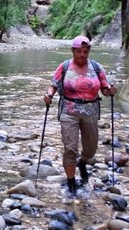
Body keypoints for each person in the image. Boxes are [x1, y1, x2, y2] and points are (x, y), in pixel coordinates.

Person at [43, 35, 116, 196]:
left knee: (91, 149)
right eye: (79, 51)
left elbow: (104, 88)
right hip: (68, 111)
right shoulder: (64, 67)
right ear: (73, 51)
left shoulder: (96, 67)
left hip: (91, 111)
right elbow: (53, 86)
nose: (82, 55)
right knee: (70, 148)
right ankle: (71, 182)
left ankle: (82, 163)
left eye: (85, 51)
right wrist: (48, 95)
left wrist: (110, 90)